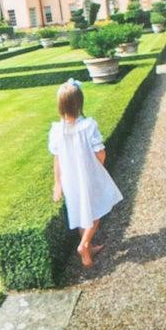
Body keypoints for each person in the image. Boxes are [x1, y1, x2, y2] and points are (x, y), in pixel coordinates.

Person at [47, 78, 123, 268]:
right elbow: (100, 152)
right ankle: (84, 244)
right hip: (88, 176)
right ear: (79, 103)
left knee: (81, 211)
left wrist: (58, 182)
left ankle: (87, 253)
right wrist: (97, 169)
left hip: (70, 178)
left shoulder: (56, 131)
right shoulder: (88, 126)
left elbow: (56, 158)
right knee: (95, 210)